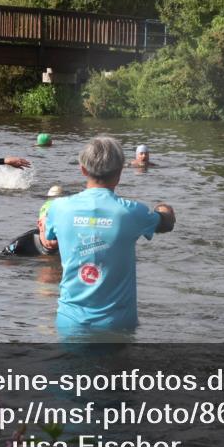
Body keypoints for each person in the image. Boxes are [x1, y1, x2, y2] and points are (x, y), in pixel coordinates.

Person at [44, 136, 175, 333]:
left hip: (70, 323)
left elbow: (49, 241)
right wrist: (163, 207)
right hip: (116, 325)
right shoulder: (132, 212)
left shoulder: (58, 208)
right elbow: (166, 223)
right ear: (120, 172)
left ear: (83, 169)